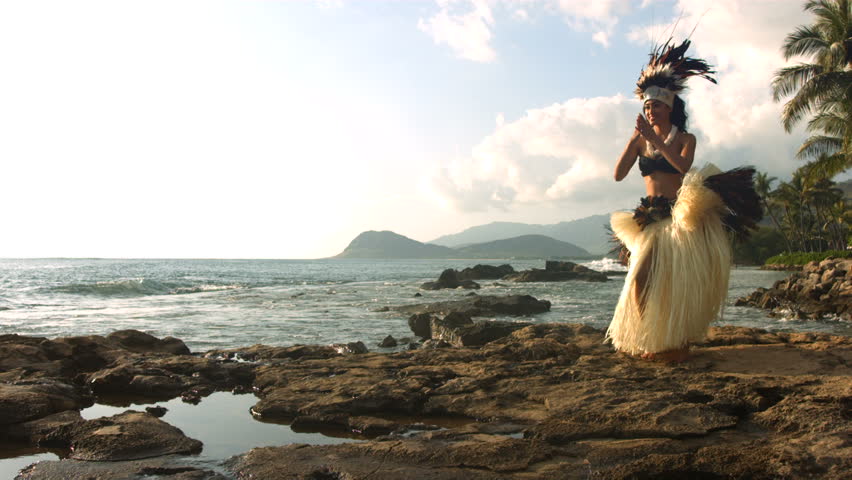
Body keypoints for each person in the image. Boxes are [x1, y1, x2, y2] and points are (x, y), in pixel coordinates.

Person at [605, 39, 762, 362]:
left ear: (671, 107)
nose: (651, 111)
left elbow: (683, 167)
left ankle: (677, 344)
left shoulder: (685, 138)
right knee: (641, 281)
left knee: (674, 283)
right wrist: (636, 140)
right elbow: (618, 174)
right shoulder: (641, 140)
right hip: (648, 220)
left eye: (657, 106)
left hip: (678, 218)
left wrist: (656, 142)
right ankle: (653, 339)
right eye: (647, 107)